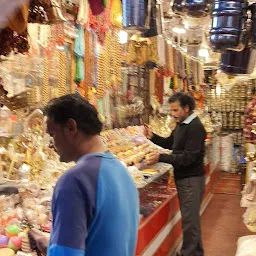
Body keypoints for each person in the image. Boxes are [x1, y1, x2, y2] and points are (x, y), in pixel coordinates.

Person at [29, 94, 139, 256]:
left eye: (52, 135)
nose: (51, 145)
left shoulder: (74, 181)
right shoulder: (121, 170)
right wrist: (51, 244)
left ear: (70, 128)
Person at [144, 92, 206, 256]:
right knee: (191, 219)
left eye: (175, 110)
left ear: (186, 108)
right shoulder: (182, 124)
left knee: (190, 220)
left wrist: (161, 157)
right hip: (185, 178)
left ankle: (188, 253)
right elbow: (172, 143)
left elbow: (188, 158)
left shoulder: (195, 127)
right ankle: (195, 251)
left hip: (191, 179)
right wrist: (153, 137)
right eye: (171, 110)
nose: (172, 114)